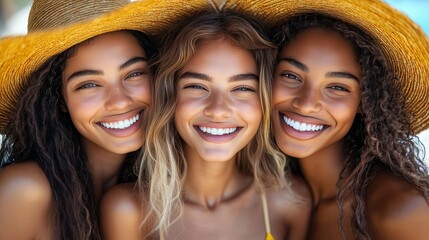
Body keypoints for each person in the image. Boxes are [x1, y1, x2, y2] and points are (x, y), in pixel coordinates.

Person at [101, 11, 311, 240]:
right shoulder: (129, 211)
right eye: (197, 86)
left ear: (263, 100)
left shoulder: (291, 203)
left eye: (242, 88)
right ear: (169, 96)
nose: (218, 109)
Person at [0, 0, 163, 239]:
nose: (119, 101)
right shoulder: (25, 190)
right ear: (59, 99)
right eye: (88, 85)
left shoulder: (155, 193)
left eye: (134, 73)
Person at [269, 2, 429, 239]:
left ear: (365, 101)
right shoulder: (269, 195)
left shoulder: (397, 209)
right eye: (291, 75)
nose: (306, 103)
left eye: (337, 87)